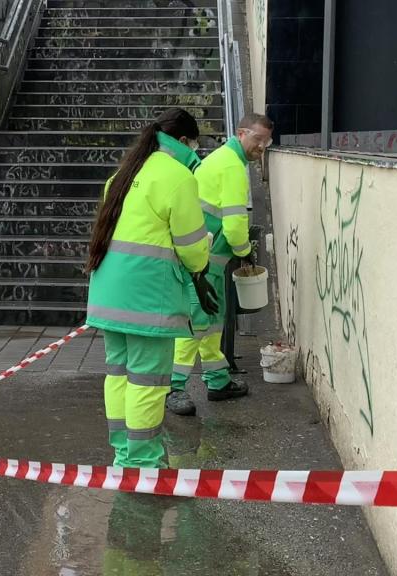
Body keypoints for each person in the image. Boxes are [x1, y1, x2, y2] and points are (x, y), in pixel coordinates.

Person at [85, 108, 219, 469]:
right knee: (148, 381)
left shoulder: (123, 174)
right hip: (147, 296)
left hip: (109, 292)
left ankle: (124, 453)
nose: (195, 150)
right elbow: (192, 247)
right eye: (194, 143)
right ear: (182, 140)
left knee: (119, 375)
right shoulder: (176, 176)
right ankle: (143, 462)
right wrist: (200, 267)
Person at [166, 113, 274, 417]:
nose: (262, 147)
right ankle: (174, 388)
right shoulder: (231, 166)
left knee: (213, 321)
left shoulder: (225, 159)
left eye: (267, 141)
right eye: (258, 139)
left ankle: (217, 380)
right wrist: (244, 251)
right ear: (241, 133)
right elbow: (236, 223)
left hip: (206, 258)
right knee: (197, 323)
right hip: (204, 260)